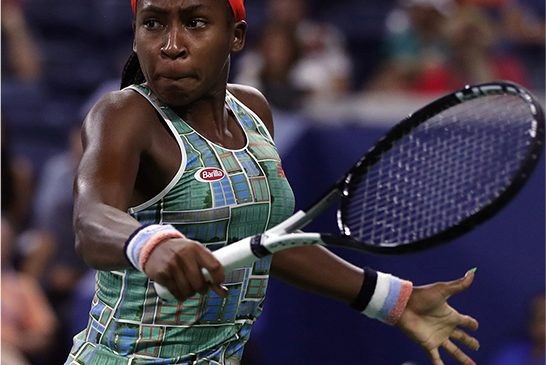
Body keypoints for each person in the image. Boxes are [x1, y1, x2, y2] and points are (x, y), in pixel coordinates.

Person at [65, 1, 480, 364]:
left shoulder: (253, 110)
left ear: (236, 36)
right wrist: (147, 243)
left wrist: (395, 301)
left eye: (195, 22)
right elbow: (91, 219)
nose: (171, 45)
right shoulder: (124, 114)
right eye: (153, 23)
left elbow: (267, 244)